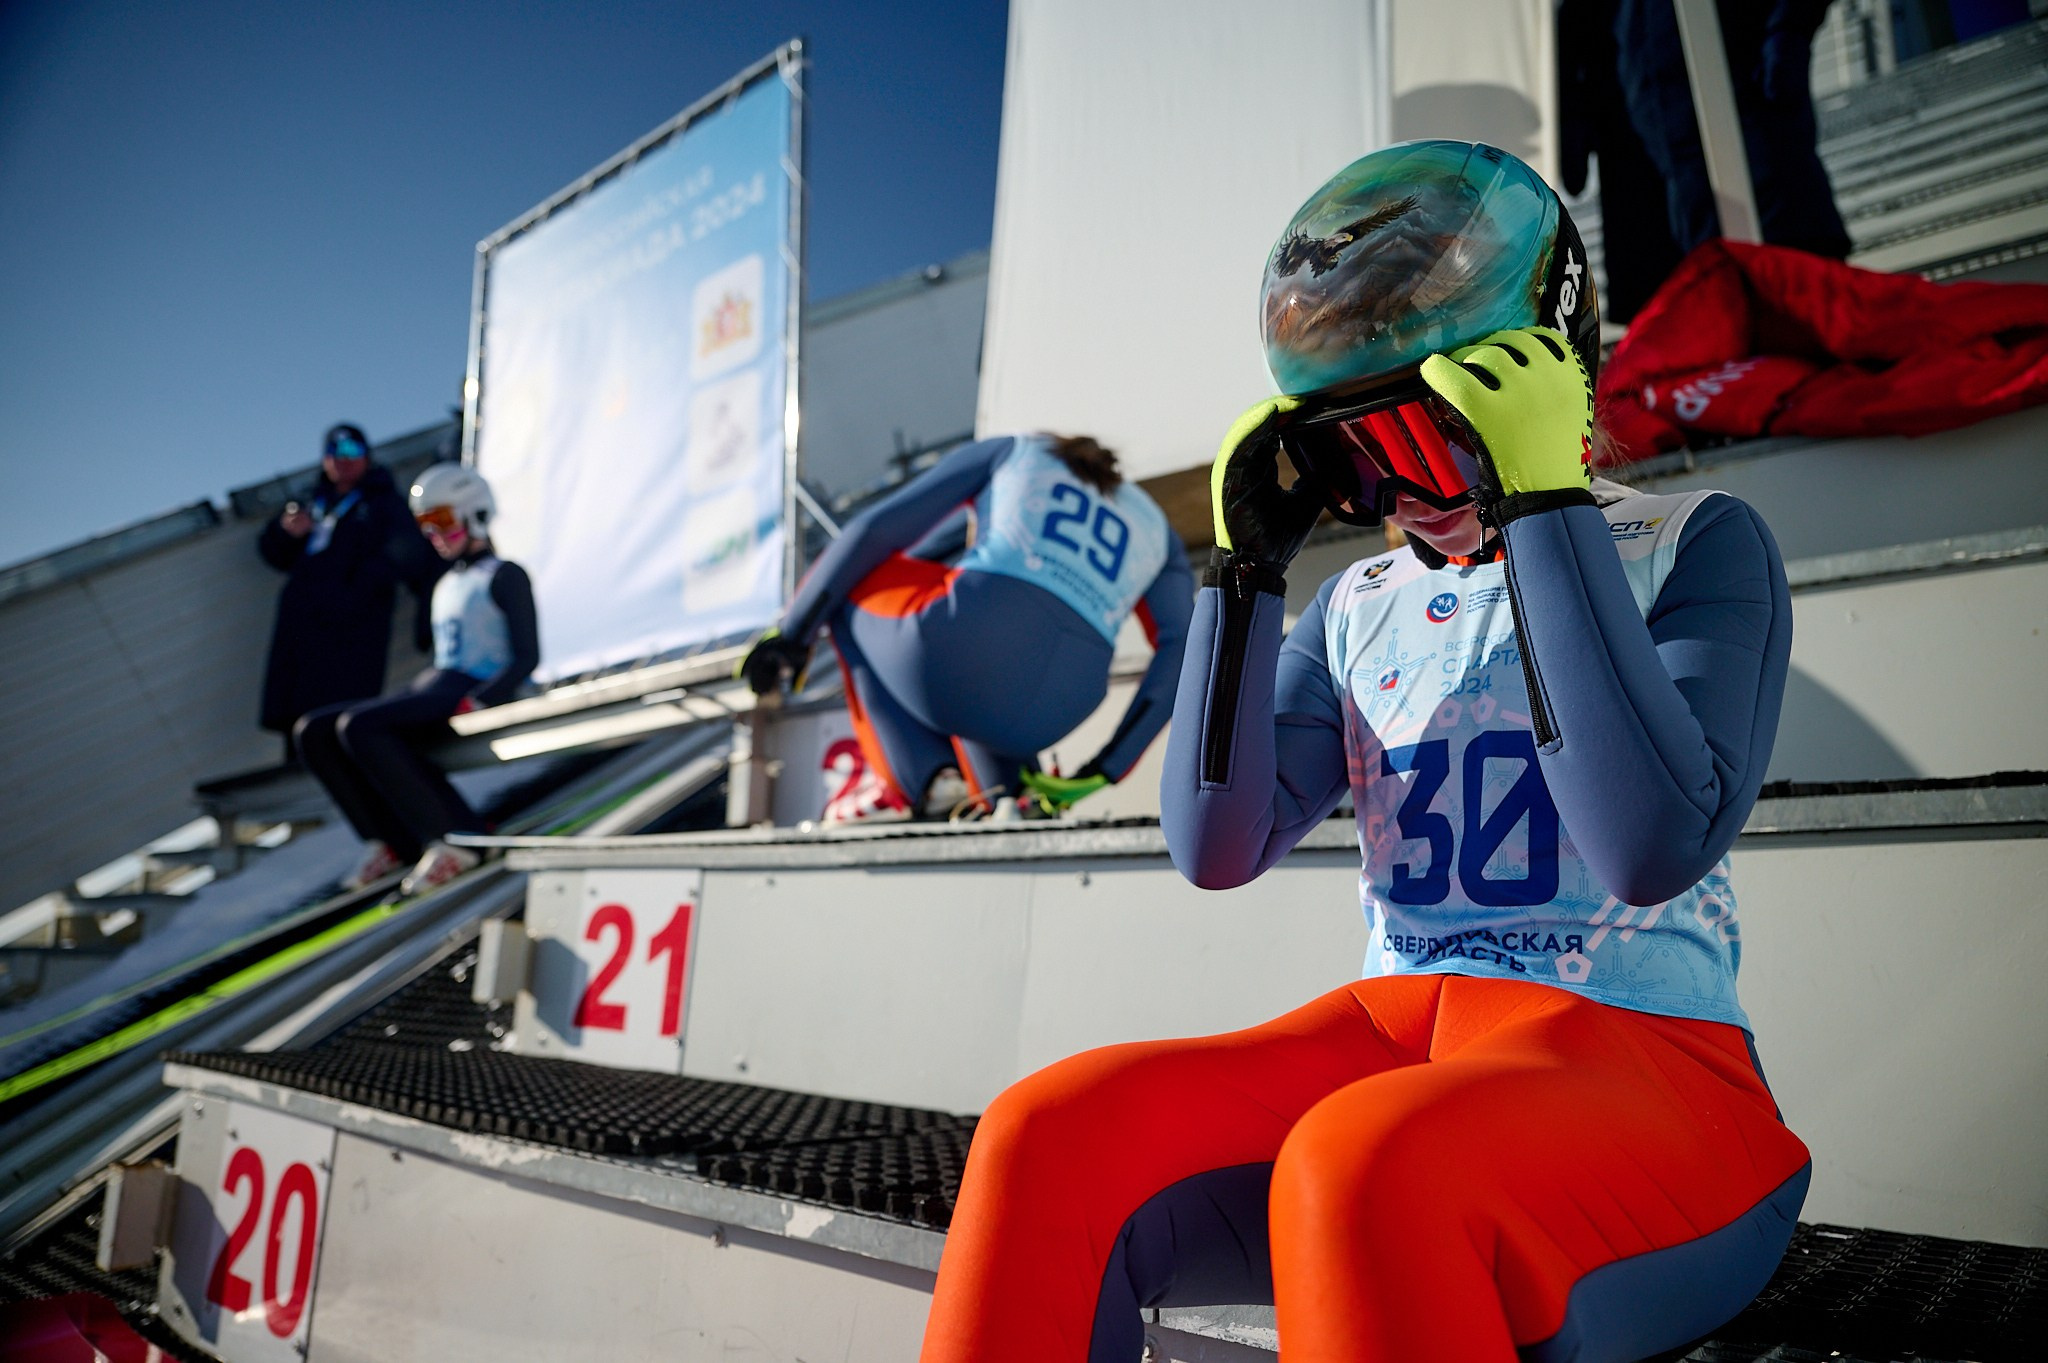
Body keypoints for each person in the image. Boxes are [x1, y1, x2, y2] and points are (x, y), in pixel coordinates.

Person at [920, 142, 1810, 1362]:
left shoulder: (1694, 542)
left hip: (1647, 1053)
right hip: (1400, 1031)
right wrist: (1242, 577)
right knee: (1041, 1133)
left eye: (1437, 435)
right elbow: (1216, 847)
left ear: (1540, 382)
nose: (1404, 491)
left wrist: (1541, 501)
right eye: (1359, 455)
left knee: (1364, 1159)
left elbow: (1646, 842)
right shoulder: (1357, 605)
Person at [740, 434, 1193, 820]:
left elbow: (872, 532)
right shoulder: (1159, 531)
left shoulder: (1018, 448)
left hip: (962, 650)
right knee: (996, 651)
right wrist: (1108, 766)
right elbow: (1182, 650)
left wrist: (793, 635)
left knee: (852, 586)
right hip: (1062, 707)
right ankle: (1013, 799)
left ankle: (927, 781)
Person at [294, 464, 540, 895]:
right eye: (425, 524)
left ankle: (460, 838)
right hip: (436, 682)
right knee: (313, 730)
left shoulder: (504, 575)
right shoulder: (446, 582)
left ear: (474, 513)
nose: (434, 534)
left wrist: (485, 698)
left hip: (468, 686)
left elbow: (526, 657)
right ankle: (392, 841)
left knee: (361, 726)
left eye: (442, 520)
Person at [257, 423, 438, 756]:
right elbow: (273, 554)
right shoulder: (313, 501)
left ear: (367, 456)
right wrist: (286, 532)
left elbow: (409, 555)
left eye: (352, 452)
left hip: (351, 630)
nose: (343, 461)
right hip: (302, 630)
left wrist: (355, 590)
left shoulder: (383, 503)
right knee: (297, 718)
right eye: (334, 454)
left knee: (339, 713)